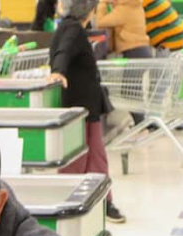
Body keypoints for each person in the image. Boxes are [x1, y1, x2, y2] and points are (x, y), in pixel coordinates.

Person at [48, 0, 126, 223]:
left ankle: (103, 201)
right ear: (88, 10)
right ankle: (68, 202)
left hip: (86, 107)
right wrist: (58, 71)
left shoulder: (67, 27)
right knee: (77, 159)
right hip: (78, 109)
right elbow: (64, 51)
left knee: (95, 157)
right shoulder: (73, 30)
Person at [95, 0, 155, 127]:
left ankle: (143, 125)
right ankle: (143, 124)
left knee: (130, 93)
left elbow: (100, 22)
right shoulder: (133, 5)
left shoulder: (124, 9)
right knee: (133, 92)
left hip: (135, 52)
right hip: (141, 51)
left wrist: (102, 4)